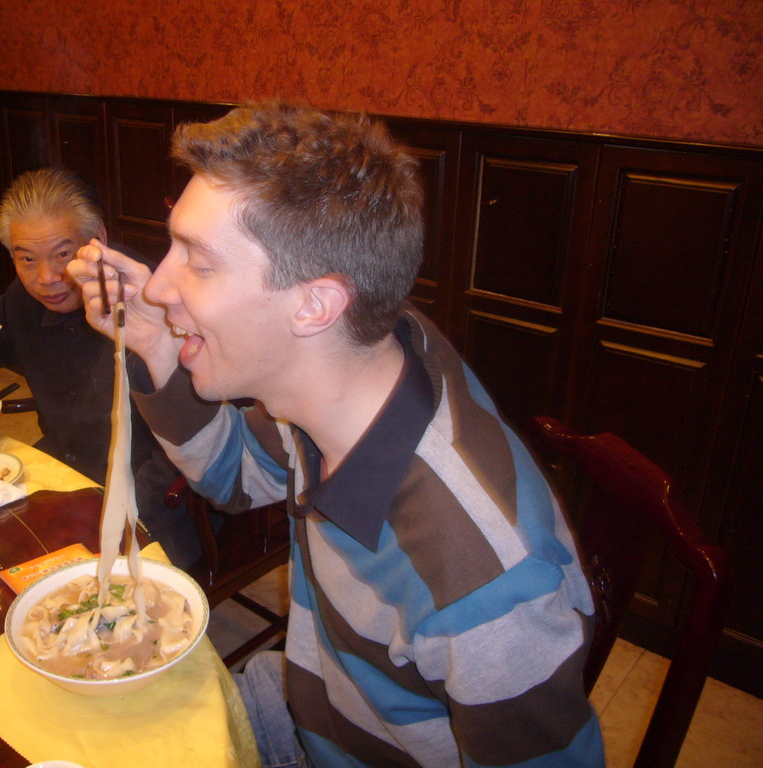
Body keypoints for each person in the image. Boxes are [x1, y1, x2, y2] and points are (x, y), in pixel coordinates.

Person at [69, 103, 605, 767]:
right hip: (312, 700)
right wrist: (151, 337)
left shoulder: (486, 587)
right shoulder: (352, 368)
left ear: (316, 304)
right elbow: (232, 475)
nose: (159, 283)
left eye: (199, 262)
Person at [0, 168, 201, 568]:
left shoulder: (151, 305)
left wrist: (126, 513)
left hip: (153, 503)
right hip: (61, 473)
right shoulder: (24, 298)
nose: (46, 278)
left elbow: (188, 437)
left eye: (63, 254)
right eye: (27, 259)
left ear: (99, 239)